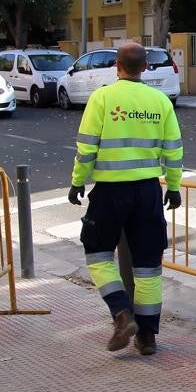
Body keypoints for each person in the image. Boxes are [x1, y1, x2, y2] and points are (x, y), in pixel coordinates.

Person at [67, 41, 183, 356]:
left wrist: (78, 183)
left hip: (109, 191)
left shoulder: (101, 98)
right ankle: (147, 337)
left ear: (116, 66)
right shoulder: (160, 101)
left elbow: (87, 147)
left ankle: (121, 313)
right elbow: (173, 151)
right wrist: (173, 187)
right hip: (147, 191)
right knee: (148, 267)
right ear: (145, 67)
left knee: (98, 253)